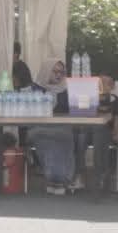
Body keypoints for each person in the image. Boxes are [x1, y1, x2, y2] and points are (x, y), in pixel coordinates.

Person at [28, 59, 74, 194]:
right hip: (40, 127)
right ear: (46, 71)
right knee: (46, 137)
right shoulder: (34, 90)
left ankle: (59, 179)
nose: (58, 75)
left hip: (62, 127)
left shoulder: (67, 90)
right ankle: (55, 179)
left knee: (62, 136)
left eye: (61, 72)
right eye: (55, 71)